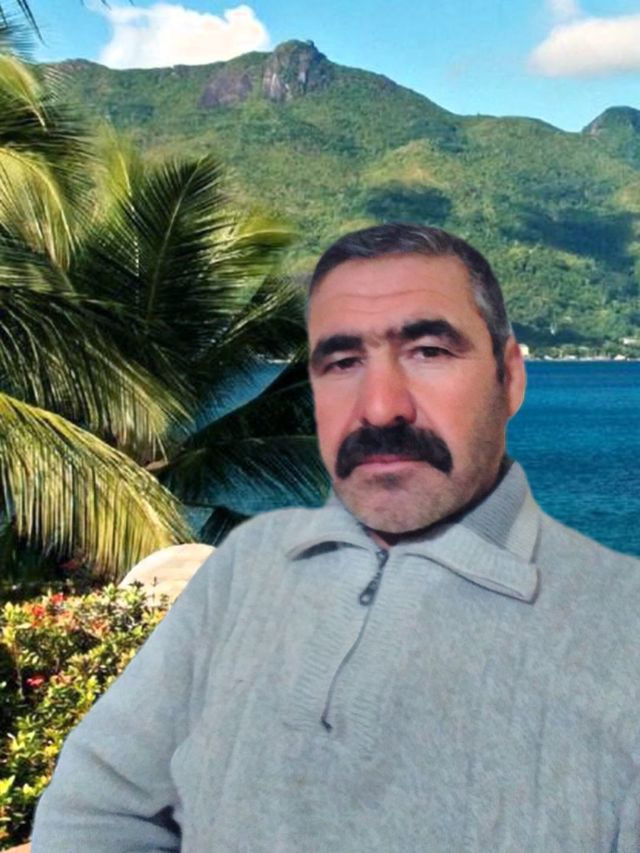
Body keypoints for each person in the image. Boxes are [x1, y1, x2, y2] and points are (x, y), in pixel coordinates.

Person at [32, 224, 640, 852]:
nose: (380, 407)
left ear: (509, 377)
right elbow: (99, 808)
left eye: (428, 351)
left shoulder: (621, 625)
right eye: (343, 362)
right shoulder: (248, 568)